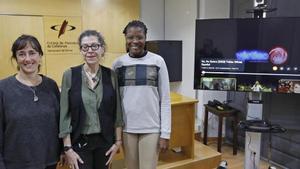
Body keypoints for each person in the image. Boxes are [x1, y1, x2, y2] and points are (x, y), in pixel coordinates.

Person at [59, 30, 123, 169]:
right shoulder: (70, 75)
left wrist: (118, 142)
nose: (90, 51)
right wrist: (67, 148)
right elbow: (65, 114)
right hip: (80, 142)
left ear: (102, 49)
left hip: (105, 142)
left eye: (95, 46)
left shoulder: (111, 75)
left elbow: (117, 110)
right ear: (81, 50)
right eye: (85, 47)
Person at [112, 20, 171, 169]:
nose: (135, 41)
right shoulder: (118, 64)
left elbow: (165, 100)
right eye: (130, 37)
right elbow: (114, 102)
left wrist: (165, 133)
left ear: (145, 38)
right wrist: (115, 133)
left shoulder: (158, 61)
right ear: (125, 39)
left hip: (151, 128)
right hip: (127, 129)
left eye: (139, 37)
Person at [0, 35, 61, 169]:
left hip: (49, 161)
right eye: (21, 54)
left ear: (40, 56)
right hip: (15, 164)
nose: (27, 59)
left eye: (32, 53)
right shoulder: (3, 88)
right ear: (16, 58)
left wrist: (63, 150)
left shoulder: (51, 86)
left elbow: (59, 122)